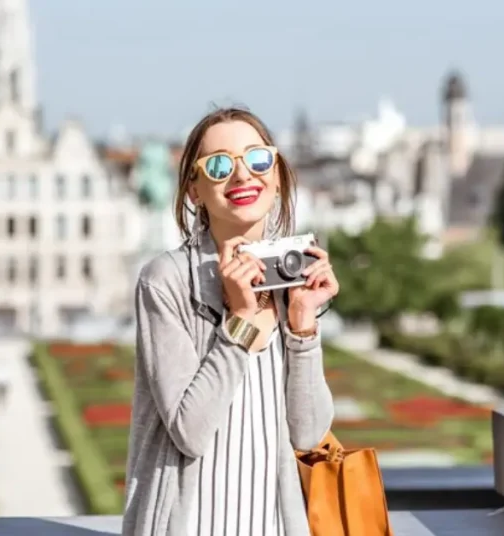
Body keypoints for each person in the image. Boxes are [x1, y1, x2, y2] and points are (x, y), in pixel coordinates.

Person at [123, 107, 338, 536]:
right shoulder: (167, 280)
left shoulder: (289, 276)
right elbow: (189, 431)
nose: (242, 177)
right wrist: (240, 321)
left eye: (257, 159)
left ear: (276, 176)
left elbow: (308, 434)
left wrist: (302, 325)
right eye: (219, 166)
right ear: (194, 192)